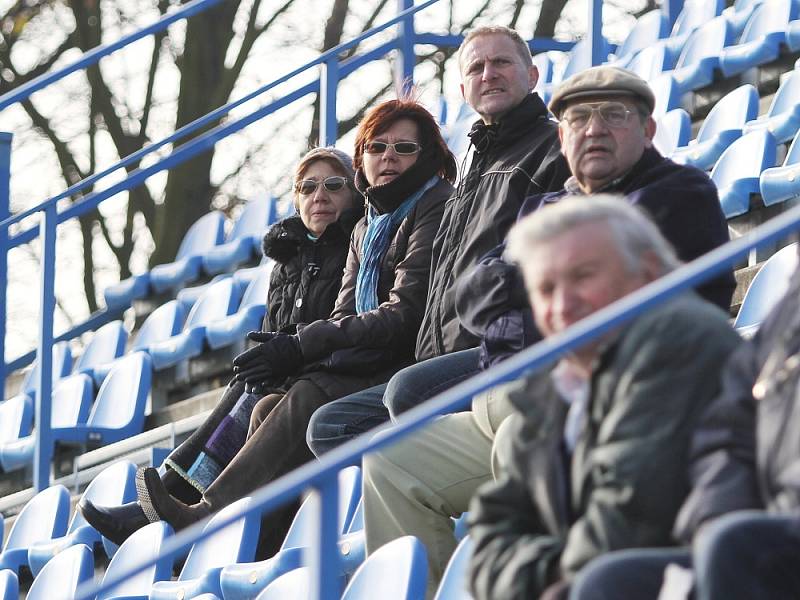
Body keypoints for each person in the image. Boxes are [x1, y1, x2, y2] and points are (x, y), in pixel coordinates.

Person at [359, 65, 736, 597]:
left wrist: (520, 294)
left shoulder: (679, 192)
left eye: (614, 115)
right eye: (578, 118)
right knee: (390, 456)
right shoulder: (545, 204)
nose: (594, 129)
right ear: (562, 136)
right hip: (518, 389)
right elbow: (470, 294)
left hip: (619, 396)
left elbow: (605, 307)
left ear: (647, 130)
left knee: (508, 436)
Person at [79, 100, 456, 556]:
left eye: (404, 147)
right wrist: (294, 350)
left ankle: (201, 516)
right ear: (364, 158)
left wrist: (299, 348)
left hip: (408, 363)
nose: (389, 156)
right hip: (361, 360)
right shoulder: (368, 229)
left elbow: (402, 316)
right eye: (377, 146)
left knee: (304, 393)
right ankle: (260, 554)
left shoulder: (430, 207)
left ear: (427, 155)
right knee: (266, 404)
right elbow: (340, 318)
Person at [306, 24, 568, 456]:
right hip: (440, 352)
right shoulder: (472, 164)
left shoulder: (552, 147)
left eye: (502, 62)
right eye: (477, 68)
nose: (489, 74)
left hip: (506, 346)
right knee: (329, 425)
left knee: (406, 393)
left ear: (532, 75)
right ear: (463, 88)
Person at [466, 196, 742, 600]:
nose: (562, 305)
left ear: (646, 272)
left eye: (583, 276)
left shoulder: (678, 338)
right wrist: (553, 574)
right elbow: (490, 537)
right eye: (545, 288)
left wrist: (538, 575)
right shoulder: (555, 379)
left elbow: (633, 520)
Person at [568, 253, 800, 600]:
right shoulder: (790, 310)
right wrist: (716, 518)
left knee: (735, 547)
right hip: (762, 537)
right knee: (608, 584)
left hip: (761, 545)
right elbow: (728, 434)